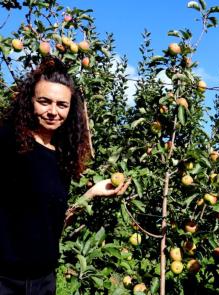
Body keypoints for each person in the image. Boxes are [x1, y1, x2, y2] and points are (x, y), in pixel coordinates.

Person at [0, 56, 128, 294]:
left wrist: (91, 193)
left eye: (62, 105)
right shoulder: (8, 143)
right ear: (29, 101)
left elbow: (53, 222)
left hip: (44, 280)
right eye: (44, 102)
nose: (52, 112)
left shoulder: (61, 157)